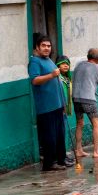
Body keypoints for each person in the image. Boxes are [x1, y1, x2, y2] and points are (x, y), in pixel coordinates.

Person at [28, 36, 72, 171]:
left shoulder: (49, 61)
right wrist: (51, 75)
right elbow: (35, 80)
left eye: (49, 46)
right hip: (46, 107)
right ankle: (49, 163)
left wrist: (63, 103)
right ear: (37, 47)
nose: (47, 48)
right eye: (43, 45)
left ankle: (61, 159)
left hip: (58, 105)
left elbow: (57, 82)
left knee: (59, 134)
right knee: (50, 136)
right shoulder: (35, 62)